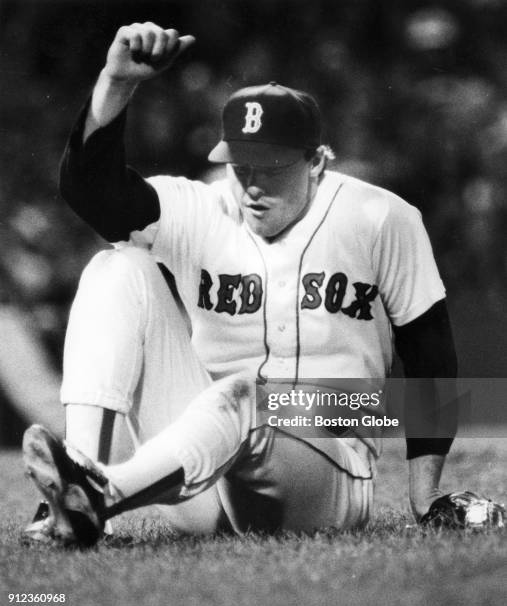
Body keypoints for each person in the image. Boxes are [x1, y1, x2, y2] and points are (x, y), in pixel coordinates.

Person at [22, 22, 457, 547]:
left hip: (327, 464)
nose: (251, 184)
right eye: (240, 165)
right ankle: (78, 493)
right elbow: (91, 191)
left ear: (317, 161)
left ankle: (98, 495)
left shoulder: (380, 218)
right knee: (117, 268)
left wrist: (425, 495)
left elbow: (431, 353)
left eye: (270, 167)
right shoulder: (203, 208)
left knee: (251, 396)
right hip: (200, 467)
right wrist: (116, 82)